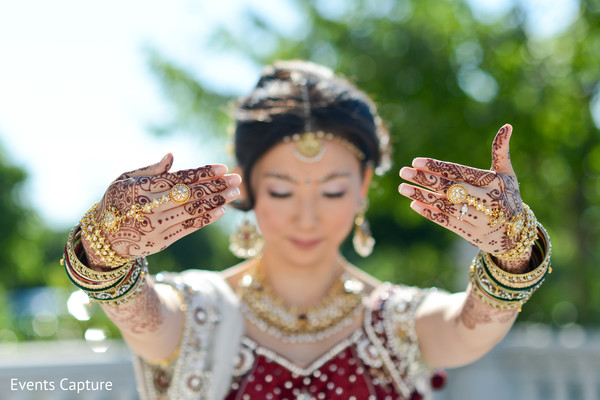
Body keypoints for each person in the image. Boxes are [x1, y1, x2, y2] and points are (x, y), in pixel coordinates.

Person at [62, 60, 551, 400]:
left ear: (362, 187)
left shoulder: (395, 323)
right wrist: (107, 251)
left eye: (332, 192)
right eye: (280, 191)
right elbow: (142, 320)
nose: (307, 216)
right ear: (247, 188)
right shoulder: (199, 311)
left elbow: (470, 331)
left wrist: (513, 252)